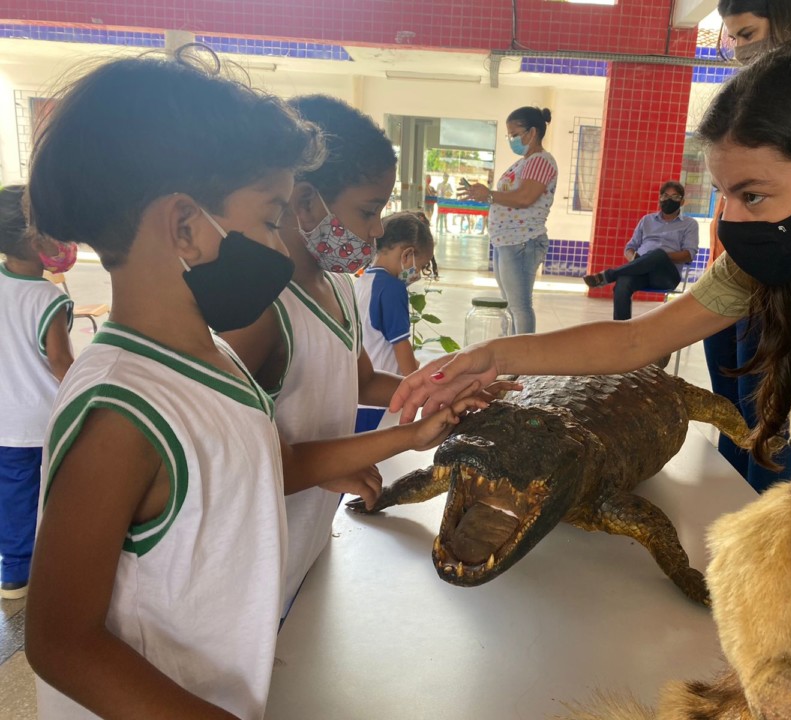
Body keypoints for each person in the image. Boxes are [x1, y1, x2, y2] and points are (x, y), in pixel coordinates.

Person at [25, 53, 482, 720]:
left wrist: (404, 436)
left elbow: (265, 464)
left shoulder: (214, 362)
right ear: (185, 227)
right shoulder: (123, 410)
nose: (279, 244)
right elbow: (61, 641)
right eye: (270, 219)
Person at [390, 34, 791, 479]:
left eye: (754, 195)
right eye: (725, 196)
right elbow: (637, 341)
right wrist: (492, 356)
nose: (731, 223)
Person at [219, 95, 448, 617]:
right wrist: (400, 438)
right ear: (304, 203)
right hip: (256, 568)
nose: (377, 229)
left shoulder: (340, 286)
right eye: (368, 211)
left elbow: (361, 380)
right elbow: (239, 455)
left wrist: (435, 390)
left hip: (308, 541)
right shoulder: (260, 310)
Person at [703, 0, 791, 491]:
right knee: (730, 414)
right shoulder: (747, 103)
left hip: (777, 287)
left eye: (748, 34)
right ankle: (729, 511)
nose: (740, 50)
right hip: (733, 276)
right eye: (732, 38)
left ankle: (757, 518)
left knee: (766, 427)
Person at [0, 186, 75, 602]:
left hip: (5, 420)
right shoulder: (47, 296)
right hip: (43, 419)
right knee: (53, 492)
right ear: (35, 240)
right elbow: (60, 361)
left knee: (12, 496)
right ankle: (55, 567)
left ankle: (14, 572)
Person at [460, 106, 558, 334]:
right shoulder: (525, 162)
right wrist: (484, 194)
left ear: (532, 132)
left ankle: (522, 353)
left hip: (522, 241)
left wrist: (490, 195)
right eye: (509, 136)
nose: (511, 140)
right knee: (510, 305)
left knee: (519, 306)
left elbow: (525, 198)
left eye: (514, 134)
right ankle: (512, 348)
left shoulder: (540, 161)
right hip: (507, 241)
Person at [353, 212, 435, 432]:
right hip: (382, 397)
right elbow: (400, 345)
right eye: (420, 266)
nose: (417, 274)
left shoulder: (362, 280)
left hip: (360, 394)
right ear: (407, 254)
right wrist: (418, 384)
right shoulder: (392, 287)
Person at [582, 180, 699, 321]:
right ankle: (622, 328)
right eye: (665, 196)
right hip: (640, 272)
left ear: (682, 202)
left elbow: (688, 255)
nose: (669, 200)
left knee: (658, 254)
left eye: (675, 197)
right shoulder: (647, 220)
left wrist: (659, 257)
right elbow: (629, 248)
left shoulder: (689, 224)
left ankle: (609, 275)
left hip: (666, 276)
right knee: (622, 283)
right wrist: (636, 260)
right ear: (660, 198)